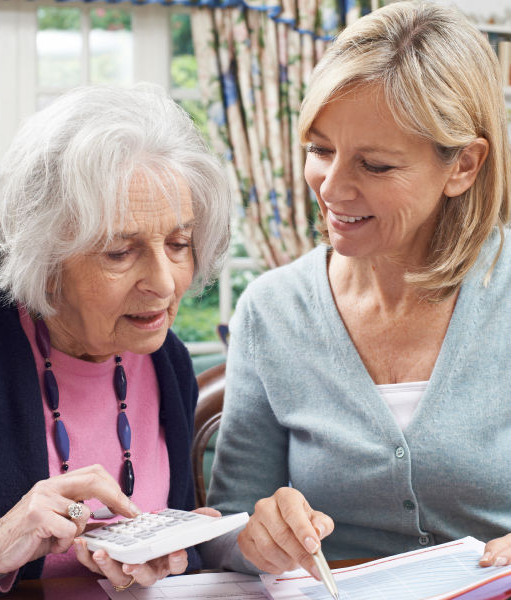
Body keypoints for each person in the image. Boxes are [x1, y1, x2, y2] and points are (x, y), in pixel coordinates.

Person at [201, 0, 511, 582]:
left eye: (374, 165)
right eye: (319, 150)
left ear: (463, 166)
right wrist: (256, 535)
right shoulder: (271, 310)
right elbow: (227, 526)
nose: (332, 188)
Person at [0, 83, 231, 595]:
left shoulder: (165, 361)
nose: (163, 282)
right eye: (119, 252)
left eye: (178, 243)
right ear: (46, 260)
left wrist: (171, 555)